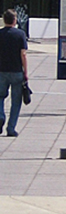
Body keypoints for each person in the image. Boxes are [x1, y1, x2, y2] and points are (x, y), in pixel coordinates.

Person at [0, 9, 28, 137]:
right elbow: (23, 55)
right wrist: (25, 72)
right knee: (16, 101)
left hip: (1, 71)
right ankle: (11, 128)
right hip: (16, 71)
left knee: (0, 97)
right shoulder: (20, 34)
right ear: (15, 20)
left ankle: (0, 115)